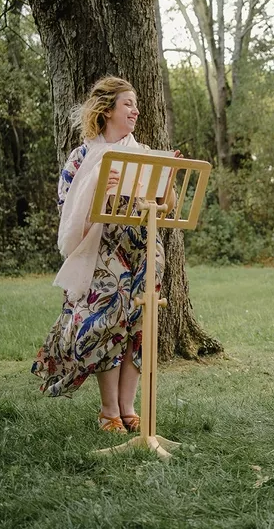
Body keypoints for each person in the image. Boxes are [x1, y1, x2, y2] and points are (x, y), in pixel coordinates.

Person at [31, 76, 179, 434]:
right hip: (102, 250)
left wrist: (169, 180)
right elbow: (67, 211)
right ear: (107, 109)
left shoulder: (144, 154)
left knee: (139, 328)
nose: (136, 110)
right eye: (128, 103)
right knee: (107, 325)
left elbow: (168, 209)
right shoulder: (80, 157)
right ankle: (108, 409)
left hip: (143, 248)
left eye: (136, 104)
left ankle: (128, 408)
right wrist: (99, 188)